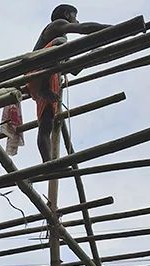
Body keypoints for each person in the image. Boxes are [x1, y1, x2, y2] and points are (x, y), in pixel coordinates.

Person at [29, 5, 109, 162]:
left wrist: (93, 53)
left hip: (44, 81)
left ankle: (48, 163)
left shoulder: (62, 49)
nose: (76, 19)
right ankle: (45, 88)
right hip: (37, 73)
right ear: (67, 14)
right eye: (75, 15)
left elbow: (74, 70)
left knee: (46, 124)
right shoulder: (56, 27)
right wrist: (113, 30)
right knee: (61, 42)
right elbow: (84, 28)